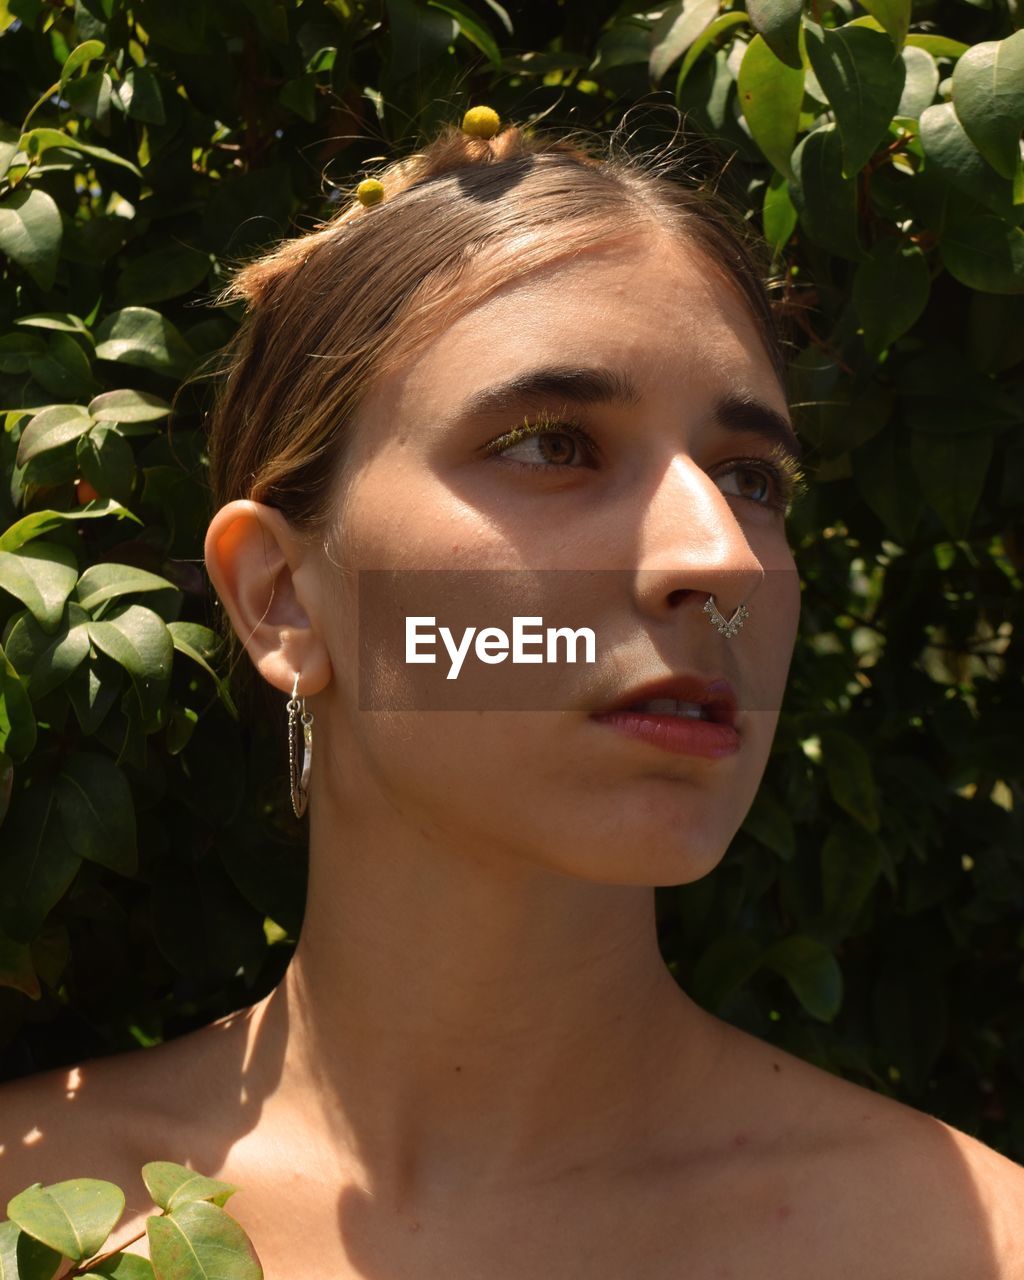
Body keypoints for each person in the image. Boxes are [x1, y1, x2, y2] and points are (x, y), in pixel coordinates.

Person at [3, 105, 1023, 1278]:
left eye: (748, 475)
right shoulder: (30, 1216)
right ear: (282, 596)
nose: (721, 556)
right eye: (552, 445)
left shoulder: (966, 1247)